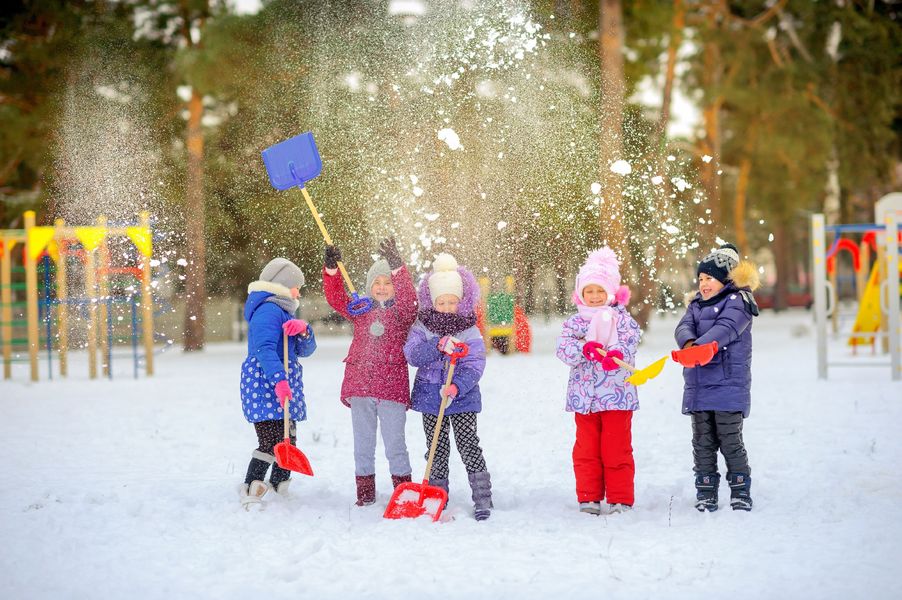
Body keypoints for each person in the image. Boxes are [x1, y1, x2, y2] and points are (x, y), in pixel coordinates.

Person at [322, 238, 417, 506]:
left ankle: (405, 493)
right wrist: (332, 270)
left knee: (395, 445)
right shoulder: (360, 310)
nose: (383, 287)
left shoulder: (402, 314)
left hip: (391, 388)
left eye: (388, 283)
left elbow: (410, 300)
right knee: (363, 445)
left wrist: (398, 268)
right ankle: (365, 494)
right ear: (369, 287)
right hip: (360, 386)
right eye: (377, 283)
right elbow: (336, 298)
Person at [403, 252, 492, 520]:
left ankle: (482, 498)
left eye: (452, 301)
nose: (447, 306)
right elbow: (412, 354)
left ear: (462, 300)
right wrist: (437, 346)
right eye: (442, 301)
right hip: (431, 398)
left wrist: (457, 387)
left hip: (462, 399)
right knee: (436, 448)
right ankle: (435, 496)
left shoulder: (468, 328)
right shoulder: (423, 326)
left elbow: (476, 363)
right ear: (432, 300)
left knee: (468, 445)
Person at [674, 243, 760, 512]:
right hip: (699, 386)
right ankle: (706, 491)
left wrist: (699, 347)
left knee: (730, 441)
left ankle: (740, 489)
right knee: (702, 442)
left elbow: (726, 328)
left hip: (728, 386)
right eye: (701, 278)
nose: (704, 284)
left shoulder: (739, 303)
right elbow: (683, 326)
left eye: (710, 278)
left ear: (725, 280)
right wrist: (688, 343)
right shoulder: (696, 305)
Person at [556, 247, 639, 516]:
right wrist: (583, 349)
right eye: (589, 291)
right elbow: (563, 349)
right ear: (580, 293)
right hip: (585, 399)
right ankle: (589, 496)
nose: (594, 296)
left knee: (616, 449)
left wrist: (616, 354)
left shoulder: (622, 319)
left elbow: (630, 343)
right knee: (586, 450)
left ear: (611, 293)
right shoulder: (574, 323)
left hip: (617, 396)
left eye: (600, 291)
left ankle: (620, 498)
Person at [239, 258, 316, 508]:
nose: (299, 292)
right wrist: (279, 380)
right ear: (284, 285)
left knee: (287, 438)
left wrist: (304, 331)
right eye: (297, 286)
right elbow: (264, 350)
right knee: (271, 440)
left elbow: (306, 350)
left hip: (282, 383)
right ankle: (252, 484)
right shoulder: (268, 310)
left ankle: (279, 484)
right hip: (264, 385)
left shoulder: (285, 311)